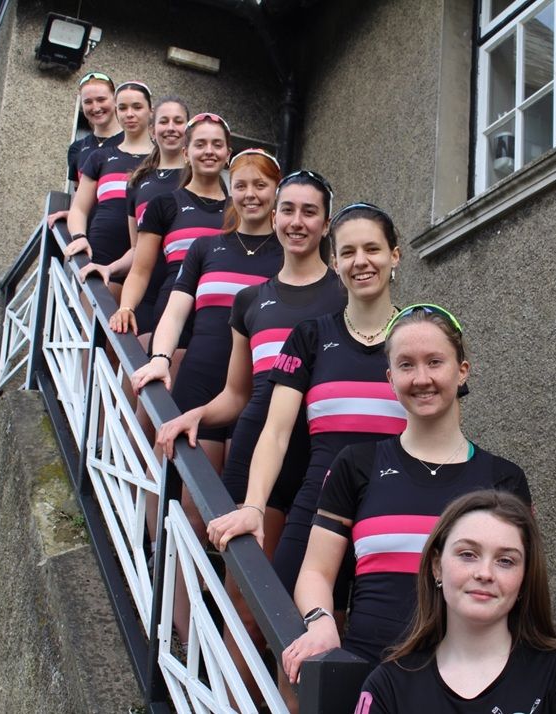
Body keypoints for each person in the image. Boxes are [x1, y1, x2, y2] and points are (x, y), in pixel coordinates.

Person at [157, 170, 345, 701]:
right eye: (288, 210)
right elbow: (239, 393)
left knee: (305, 606)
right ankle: (211, 699)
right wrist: (196, 414)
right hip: (254, 453)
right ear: (275, 216)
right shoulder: (251, 300)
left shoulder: (343, 292)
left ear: (326, 223)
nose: (296, 222)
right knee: (247, 599)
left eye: (309, 212)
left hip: (319, 459)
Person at [282, 304, 532, 689]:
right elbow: (315, 571)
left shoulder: (504, 479)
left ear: (462, 370)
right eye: (406, 365)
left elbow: (523, 589)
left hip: (472, 684)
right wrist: (321, 621)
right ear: (390, 377)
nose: (422, 379)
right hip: (369, 679)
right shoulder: (356, 464)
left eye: (435, 362)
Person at [207, 203, 406, 611]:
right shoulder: (310, 336)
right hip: (318, 505)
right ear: (335, 262)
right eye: (348, 252)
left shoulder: (420, 334)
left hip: (396, 506)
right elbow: (276, 432)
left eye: (373, 249)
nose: (361, 261)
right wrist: (253, 507)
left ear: (395, 256)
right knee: (285, 625)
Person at [355, 490, 556, 713]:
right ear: (437, 567)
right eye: (468, 554)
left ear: (525, 578)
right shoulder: (388, 685)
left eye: (506, 561)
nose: (485, 573)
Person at [131, 149, 284, 473]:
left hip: (260, 390)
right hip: (202, 377)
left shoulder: (290, 254)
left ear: (276, 189)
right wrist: (160, 359)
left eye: (260, 185)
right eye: (241, 186)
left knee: (231, 497)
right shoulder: (205, 247)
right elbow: (175, 312)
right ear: (231, 190)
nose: (250, 194)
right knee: (185, 495)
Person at [108, 112, 232, 361]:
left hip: (223, 314)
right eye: (200, 144)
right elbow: (141, 269)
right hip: (174, 312)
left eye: (217, 145)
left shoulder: (238, 210)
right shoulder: (163, 204)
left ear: (228, 154)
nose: (209, 151)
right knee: (164, 392)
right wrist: (126, 307)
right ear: (186, 153)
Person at [81, 96, 189, 338]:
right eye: (164, 121)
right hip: (146, 290)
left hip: (185, 289)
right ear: (152, 129)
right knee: (133, 364)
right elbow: (135, 249)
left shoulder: (198, 178)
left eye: (178, 121)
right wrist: (109, 268)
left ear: (187, 129)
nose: (171, 127)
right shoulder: (138, 182)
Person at [65, 81, 153, 301]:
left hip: (149, 261)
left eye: (137, 107)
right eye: (123, 108)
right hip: (102, 252)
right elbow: (79, 208)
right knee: (96, 331)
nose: (129, 114)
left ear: (151, 111)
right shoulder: (99, 157)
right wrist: (79, 237)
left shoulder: (162, 159)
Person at [47, 71, 123, 229]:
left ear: (115, 100)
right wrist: (72, 215)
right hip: (89, 237)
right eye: (88, 102)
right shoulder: (77, 148)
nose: (95, 107)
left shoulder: (132, 141)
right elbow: (80, 198)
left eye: (101, 99)